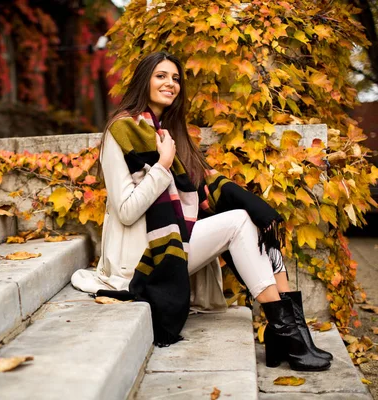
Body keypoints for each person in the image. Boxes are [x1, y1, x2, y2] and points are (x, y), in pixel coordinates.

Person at [71, 51, 332, 372]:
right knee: (239, 221)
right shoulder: (121, 130)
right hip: (142, 258)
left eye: (176, 78)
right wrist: (163, 166)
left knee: (255, 222)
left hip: (171, 242)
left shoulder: (164, 131)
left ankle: (292, 338)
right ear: (144, 81)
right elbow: (126, 210)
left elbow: (199, 188)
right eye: (161, 76)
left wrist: (253, 205)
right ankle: (287, 336)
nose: (171, 83)